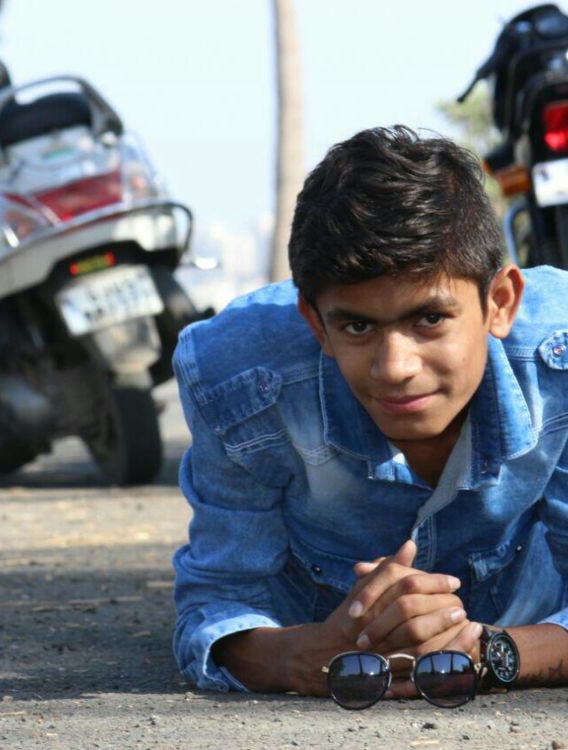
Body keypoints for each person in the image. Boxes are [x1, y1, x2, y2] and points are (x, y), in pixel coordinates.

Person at [171, 125, 568, 698]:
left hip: (527, 608)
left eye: (429, 319)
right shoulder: (239, 377)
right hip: (314, 619)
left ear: (499, 303)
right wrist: (302, 656)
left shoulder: (559, 357)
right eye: (358, 326)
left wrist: (494, 652)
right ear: (316, 324)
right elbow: (218, 603)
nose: (395, 367)